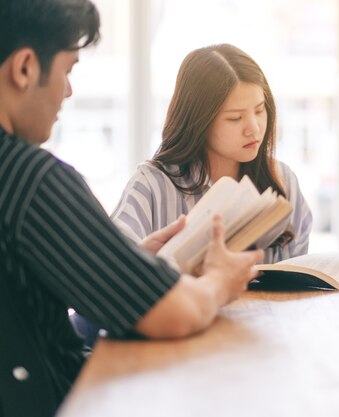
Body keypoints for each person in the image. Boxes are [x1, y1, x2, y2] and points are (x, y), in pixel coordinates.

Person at [0, 1, 262, 415]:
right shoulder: (31, 179)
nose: (68, 92)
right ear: (25, 68)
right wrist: (218, 279)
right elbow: (176, 314)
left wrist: (124, 265)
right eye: (68, 71)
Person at [110, 44, 314, 264]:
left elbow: (299, 277)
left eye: (259, 110)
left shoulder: (283, 180)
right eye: (235, 118)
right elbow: (112, 272)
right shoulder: (151, 185)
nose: (254, 128)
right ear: (199, 121)